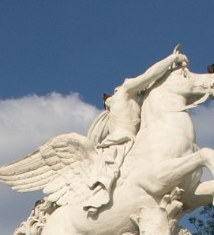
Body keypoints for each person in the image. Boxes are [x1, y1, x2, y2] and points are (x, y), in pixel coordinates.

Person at [81, 46, 189, 212]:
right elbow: (149, 76)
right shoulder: (123, 91)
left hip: (133, 141)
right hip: (121, 143)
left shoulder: (120, 105)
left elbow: (152, 84)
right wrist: (171, 60)